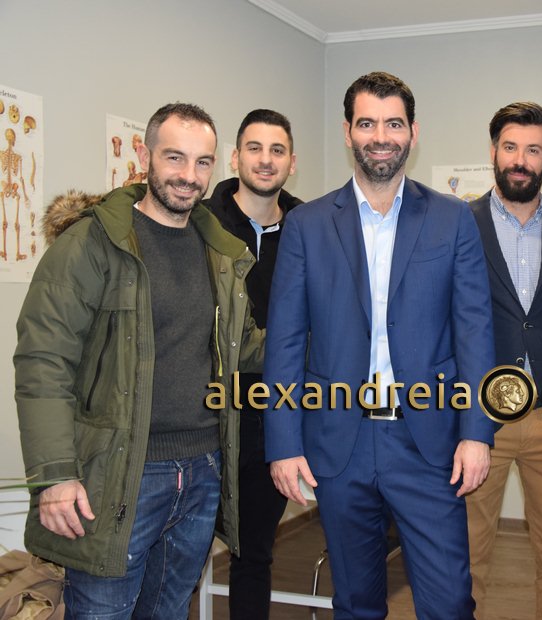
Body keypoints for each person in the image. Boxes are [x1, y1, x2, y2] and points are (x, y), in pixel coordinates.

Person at [14, 102, 263, 618]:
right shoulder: (92, 243)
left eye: (202, 162)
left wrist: (337, 341)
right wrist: (54, 476)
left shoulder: (219, 251)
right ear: (145, 156)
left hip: (202, 472)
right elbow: (43, 362)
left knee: (168, 611)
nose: (188, 175)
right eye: (175, 157)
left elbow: (247, 347)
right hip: (118, 474)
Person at [263, 71, 495, 619]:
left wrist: (477, 432)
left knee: (449, 603)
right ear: (348, 132)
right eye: (367, 124)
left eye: (393, 124)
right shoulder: (306, 225)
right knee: (356, 602)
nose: (381, 136)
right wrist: (283, 443)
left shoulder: (453, 219)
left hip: (428, 442)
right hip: (339, 444)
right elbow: (286, 342)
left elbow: (474, 331)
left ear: (413, 132)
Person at [467, 102, 542, 620]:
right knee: (465, 554)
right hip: (477, 421)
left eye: (533, 150)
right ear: (494, 152)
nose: (520, 159)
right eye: (510, 147)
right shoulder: (458, 224)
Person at [206, 108, 300, 620]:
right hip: (205, 416)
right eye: (255, 148)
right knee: (180, 552)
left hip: (275, 417)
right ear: (235, 157)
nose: (266, 160)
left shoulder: (310, 228)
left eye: (277, 150)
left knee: (253, 555)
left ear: (292, 162)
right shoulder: (201, 224)